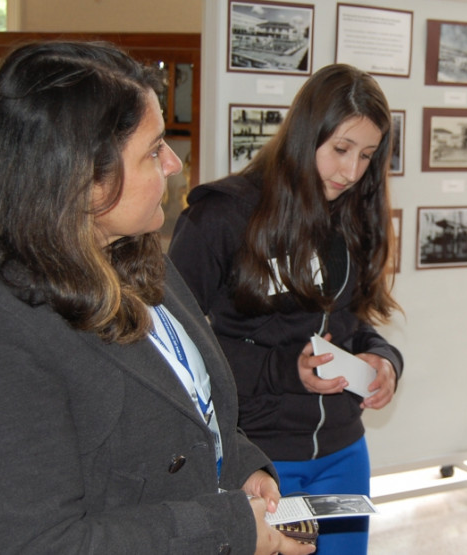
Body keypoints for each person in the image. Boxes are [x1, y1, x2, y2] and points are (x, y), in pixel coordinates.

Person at [0, 41, 314, 555]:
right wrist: (227, 526)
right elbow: (38, 545)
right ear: (82, 178)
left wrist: (241, 468)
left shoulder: (136, 255)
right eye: (154, 150)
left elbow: (189, 408)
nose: (174, 163)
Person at [169, 63, 403, 554]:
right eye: (340, 149)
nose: (351, 172)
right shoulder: (221, 215)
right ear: (304, 133)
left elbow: (351, 323)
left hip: (344, 451)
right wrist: (283, 368)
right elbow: (173, 352)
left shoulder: (353, 213)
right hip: (260, 459)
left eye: (367, 155)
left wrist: (384, 359)